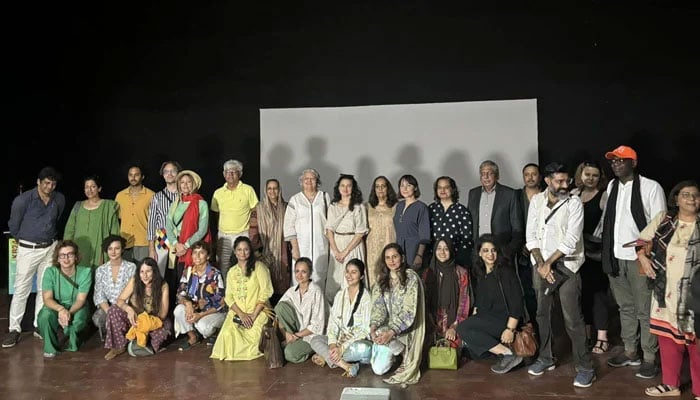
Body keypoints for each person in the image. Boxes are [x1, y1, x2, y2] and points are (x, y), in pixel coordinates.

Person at [525, 162, 594, 387]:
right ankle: (546, 358)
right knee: (542, 314)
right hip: (541, 265)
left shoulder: (574, 203)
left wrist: (548, 264)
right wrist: (541, 264)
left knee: (572, 318)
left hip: (567, 266)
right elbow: (531, 236)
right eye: (559, 181)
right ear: (547, 181)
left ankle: (585, 367)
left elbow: (571, 241)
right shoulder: (536, 201)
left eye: (567, 180)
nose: (565, 185)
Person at [601, 145, 666, 379]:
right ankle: (630, 352)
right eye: (613, 161)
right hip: (616, 256)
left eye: (621, 160)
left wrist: (645, 254)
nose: (616, 164)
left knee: (645, 310)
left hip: (641, 258)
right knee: (625, 307)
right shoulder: (611, 186)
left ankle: (649, 357)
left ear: (634, 163)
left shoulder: (651, 187)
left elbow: (660, 225)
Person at [638, 181, 699, 398]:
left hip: (695, 295)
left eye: (695, 195)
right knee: (668, 339)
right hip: (665, 292)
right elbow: (641, 241)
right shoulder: (664, 220)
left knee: (696, 341)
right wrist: (643, 258)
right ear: (676, 198)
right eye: (686, 194)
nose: (691, 199)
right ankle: (670, 385)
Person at [4, 166, 65, 348]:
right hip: (28, 248)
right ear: (38, 182)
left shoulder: (59, 199)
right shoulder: (23, 200)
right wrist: (27, 240)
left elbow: (57, 219)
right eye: (46, 183)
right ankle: (14, 329)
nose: (49, 186)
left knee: (44, 288)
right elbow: (14, 226)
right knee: (21, 289)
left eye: (53, 183)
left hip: (49, 247)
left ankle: (39, 325)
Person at [455, 235, 523, 374]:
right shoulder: (480, 273)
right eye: (485, 251)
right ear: (479, 253)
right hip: (487, 318)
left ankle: (507, 354)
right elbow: (479, 303)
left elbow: (517, 302)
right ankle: (501, 354)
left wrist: (510, 329)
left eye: (493, 250)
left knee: (462, 328)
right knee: (472, 346)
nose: (490, 254)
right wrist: (473, 321)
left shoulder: (505, 272)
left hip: (503, 320)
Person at [369, 243, 426, 385]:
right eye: (387, 258)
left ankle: (406, 353)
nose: (391, 261)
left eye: (395, 256)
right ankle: (397, 352)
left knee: (388, 338)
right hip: (388, 330)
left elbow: (409, 312)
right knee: (378, 369)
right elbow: (378, 308)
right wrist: (373, 327)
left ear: (402, 257)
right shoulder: (382, 280)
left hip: (407, 329)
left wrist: (392, 331)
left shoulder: (410, 278)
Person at [210, 237, 273, 361]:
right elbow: (228, 297)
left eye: (246, 250)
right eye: (239, 250)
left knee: (253, 339)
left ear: (250, 251)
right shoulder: (231, 272)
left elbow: (266, 292)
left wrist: (253, 315)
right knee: (227, 336)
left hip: (258, 311)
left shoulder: (259, 267)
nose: (242, 253)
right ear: (234, 251)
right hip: (237, 313)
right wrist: (242, 314)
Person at [570, 161, 611, 354]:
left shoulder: (604, 196)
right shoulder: (573, 195)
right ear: (581, 175)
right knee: (582, 296)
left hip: (596, 255)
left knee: (599, 297)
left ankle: (602, 337)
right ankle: (586, 334)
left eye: (595, 175)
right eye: (587, 174)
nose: (591, 178)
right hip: (576, 255)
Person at [310, 259, 372, 377]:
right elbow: (333, 322)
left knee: (365, 349)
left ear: (362, 276)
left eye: (354, 272)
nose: (349, 275)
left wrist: (341, 348)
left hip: (354, 343)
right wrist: (333, 344)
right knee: (315, 340)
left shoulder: (366, 297)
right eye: (347, 271)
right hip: (339, 340)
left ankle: (327, 357)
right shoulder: (340, 295)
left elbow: (365, 330)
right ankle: (345, 365)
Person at [103, 257, 171, 359]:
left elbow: (163, 314)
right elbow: (120, 300)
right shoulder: (135, 281)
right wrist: (129, 309)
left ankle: (141, 342)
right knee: (113, 310)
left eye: (148, 271)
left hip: (151, 321)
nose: (144, 275)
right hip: (134, 319)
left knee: (164, 329)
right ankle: (119, 346)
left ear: (154, 272)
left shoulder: (163, 285)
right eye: (142, 272)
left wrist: (145, 323)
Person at [36, 241, 92, 358]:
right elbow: (47, 298)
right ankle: (50, 348)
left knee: (77, 323)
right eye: (62, 255)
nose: (66, 258)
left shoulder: (85, 272)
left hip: (76, 305)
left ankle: (74, 342)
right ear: (58, 258)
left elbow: (81, 300)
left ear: (76, 257)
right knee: (44, 316)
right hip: (56, 306)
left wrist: (68, 313)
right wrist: (61, 309)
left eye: (70, 254)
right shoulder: (50, 272)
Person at [284, 168, 332, 291]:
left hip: (321, 245)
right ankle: (299, 308)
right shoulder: (295, 200)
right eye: (306, 178)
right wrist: (295, 248)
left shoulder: (324, 197)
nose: (309, 181)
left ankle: (319, 307)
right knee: (300, 277)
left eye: (312, 178)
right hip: (301, 246)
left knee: (320, 276)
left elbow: (330, 222)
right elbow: (289, 225)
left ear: (317, 181)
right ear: (301, 181)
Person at [173, 240, 226, 350]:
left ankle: (215, 333)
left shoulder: (215, 274)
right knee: (178, 310)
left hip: (213, 312)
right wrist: (187, 303)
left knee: (203, 326)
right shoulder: (188, 272)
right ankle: (193, 337)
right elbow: (180, 294)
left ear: (208, 256)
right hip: (195, 310)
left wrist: (201, 315)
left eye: (201, 252)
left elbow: (221, 302)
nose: (197, 256)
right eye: (194, 252)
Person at [210, 159, 259, 277]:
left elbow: (255, 210)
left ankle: (244, 294)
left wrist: (253, 231)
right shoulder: (218, 193)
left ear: (240, 174)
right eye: (227, 172)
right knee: (223, 267)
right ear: (223, 174)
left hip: (243, 234)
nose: (230, 175)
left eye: (233, 172)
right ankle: (226, 294)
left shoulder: (248, 189)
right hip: (224, 236)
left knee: (244, 265)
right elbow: (216, 215)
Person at [467, 160, 524, 260]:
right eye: (483, 174)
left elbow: (517, 228)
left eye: (490, 173)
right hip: (478, 252)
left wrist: (508, 251)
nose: (486, 177)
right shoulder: (473, 193)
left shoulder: (509, 194)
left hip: (501, 253)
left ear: (497, 176)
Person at [325, 174, 368, 303]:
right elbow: (329, 230)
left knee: (351, 280)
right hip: (336, 245)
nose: (345, 188)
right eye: (342, 185)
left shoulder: (358, 207)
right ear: (338, 188)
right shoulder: (333, 207)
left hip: (353, 245)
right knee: (335, 282)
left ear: (353, 188)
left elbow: (360, 232)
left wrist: (345, 252)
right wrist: (336, 251)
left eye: (349, 186)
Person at [275, 257, 326, 363]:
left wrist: (296, 336)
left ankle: (315, 349)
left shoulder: (316, 291)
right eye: (297, 271)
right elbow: (279, 312)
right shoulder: (291, 291)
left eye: (304, 272)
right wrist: (286, 334)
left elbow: (317, 325)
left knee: (289, 354)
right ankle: (292, 342)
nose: (299, 275)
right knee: (281, 307)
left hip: (312, 336)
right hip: (296, 331)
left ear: (310, 273)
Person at [63, 175, 120, 268]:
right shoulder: (78, 206)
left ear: (99, 188)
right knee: (80, 278)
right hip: (79, 250)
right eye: (86, 187)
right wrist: (67, 251)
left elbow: (114, 233)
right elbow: (69, 230)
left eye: (93, 186)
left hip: (100, 252)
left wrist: (113, 252)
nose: (89, 190)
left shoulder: (108, 206)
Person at [166, 170, 212, 284]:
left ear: (194, 184)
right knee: (175, 280)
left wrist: (186, 246)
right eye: (182, 182)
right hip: (175, 248)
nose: (185, 185)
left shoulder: (201, 203)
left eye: (188, 182)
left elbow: (202, 229)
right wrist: (176, 244)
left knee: (191, 280)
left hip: (193, 247)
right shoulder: (176, 202)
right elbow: (168, 225)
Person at [422, 238, 470, 348]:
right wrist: (431, 325)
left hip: (453, 321)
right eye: (439, 248)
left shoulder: (460, 272)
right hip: (431, 323)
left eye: (446, 249)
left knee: (450, 350)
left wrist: (455, 326)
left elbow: (464, 301)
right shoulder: (428, 273)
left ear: (451, 251)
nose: (442, 252)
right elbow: (424, 301)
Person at [251, 178, 291, 304]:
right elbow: (253, 231)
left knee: (283, 284)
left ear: (279, 190)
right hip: (265, 253)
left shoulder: (287, 208)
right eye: (269, 188)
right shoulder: (258, 208)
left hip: (283, 252)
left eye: (275, 188)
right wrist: (257, 252)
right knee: (266, 284)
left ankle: (280, 317)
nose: (272, 191)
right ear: (265, 191)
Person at [514, 163, 542, 325]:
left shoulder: (547, 195)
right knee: (526, 291)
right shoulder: (516, 196)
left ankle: (543, 327)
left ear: (540, 176)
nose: (530, 177)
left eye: (534, 174)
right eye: (527, 174)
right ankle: (529, 327)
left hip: (543, 250)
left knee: (541, 292)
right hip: (521, 252)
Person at [92, 235, 137, 340]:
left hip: (125, 306)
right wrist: (109, 312)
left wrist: (125, 308)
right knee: (98, 318)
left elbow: (134, 293)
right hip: (108, 308)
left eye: (117, 248)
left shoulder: (131, 267)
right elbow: (99, 295)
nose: (113, 252)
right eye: (110, 249)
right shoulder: (100, 270)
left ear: (122, 250)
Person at [428, 176, 473, 267]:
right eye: (439, 187)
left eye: (446, 187)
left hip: (456, 259)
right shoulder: (430, 209)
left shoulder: (462, 210)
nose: (443, 190)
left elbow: (467, 238)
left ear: (452, 189)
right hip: (433, 259)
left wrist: (461, 261)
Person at [115, 164, 155, 263]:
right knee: (126, 275)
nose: (133, 178)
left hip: (143, 242)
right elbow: (117, 217)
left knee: (142, 273)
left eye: (136, 175)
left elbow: (154, 221)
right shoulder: (120, 196)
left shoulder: (151, 195)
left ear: (142, 177)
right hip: (125, 242)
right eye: (130, 175)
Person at [147, 160, 181, 277]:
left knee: (181, 273)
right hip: (163, 237)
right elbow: (152, 223)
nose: (169, 174)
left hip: (182, 237)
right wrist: (151, 249)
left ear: (178, 173)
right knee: (161, 273)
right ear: (163, 175)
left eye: (172, 171)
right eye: (166, 172)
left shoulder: (185, 195)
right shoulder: (157, 197)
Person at [365, 176, 398, 288]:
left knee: (389, 278)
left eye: (383, 186)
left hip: (389, 245)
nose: (380, 189)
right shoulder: (367, 206)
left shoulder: (395, 206)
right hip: (371, 249)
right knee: (373, 278)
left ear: (388, 188)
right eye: (377, 186)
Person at [393, 175, 430, 270]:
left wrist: (419, 255)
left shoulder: (421, 207)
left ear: (415, 188)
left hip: (414, 248)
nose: (405, 188)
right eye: (402, 185)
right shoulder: (399, 206)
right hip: (399, 248)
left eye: (408, 185)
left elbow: (424, 234)